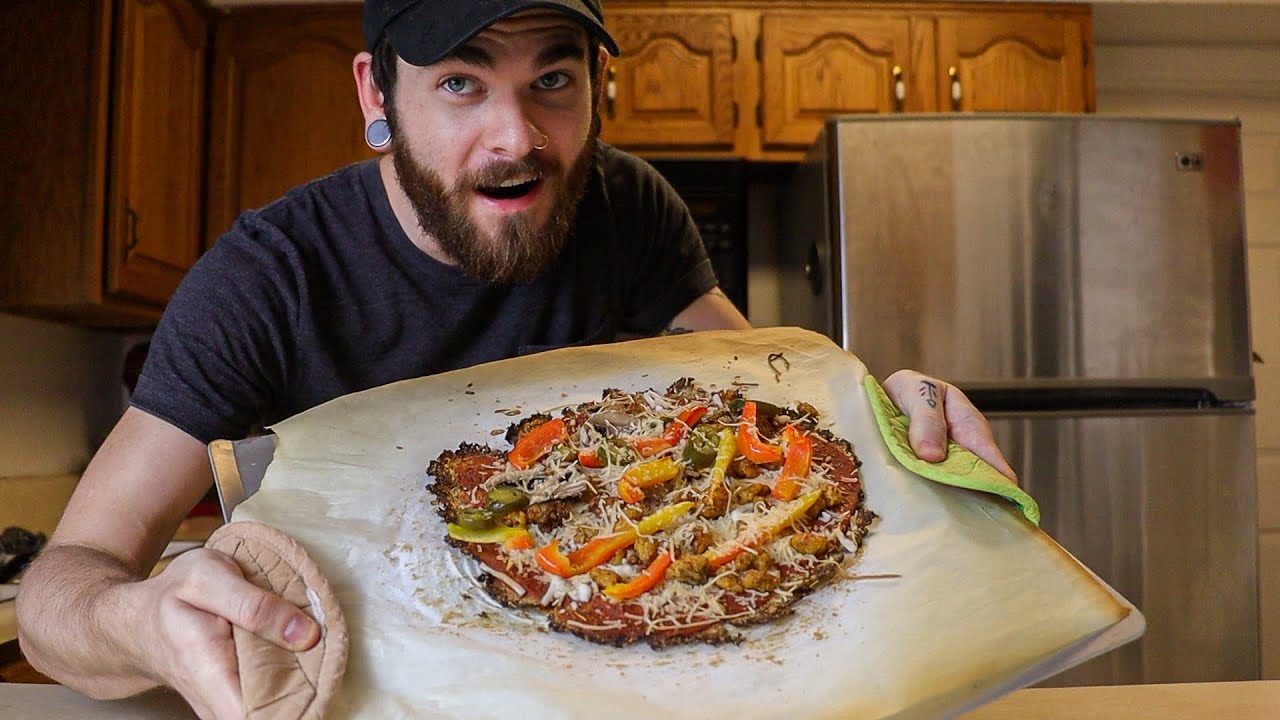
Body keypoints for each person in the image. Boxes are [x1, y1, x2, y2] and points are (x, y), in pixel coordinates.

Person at [16, 1, 1017, 717]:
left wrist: (882, 411)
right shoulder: (266, 278)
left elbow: (768, 392)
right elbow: (64, 595)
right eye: (461, 82)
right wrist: (141, 623)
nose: (516, 139)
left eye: (552, 80)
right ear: (377, 90)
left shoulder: (626, 211)